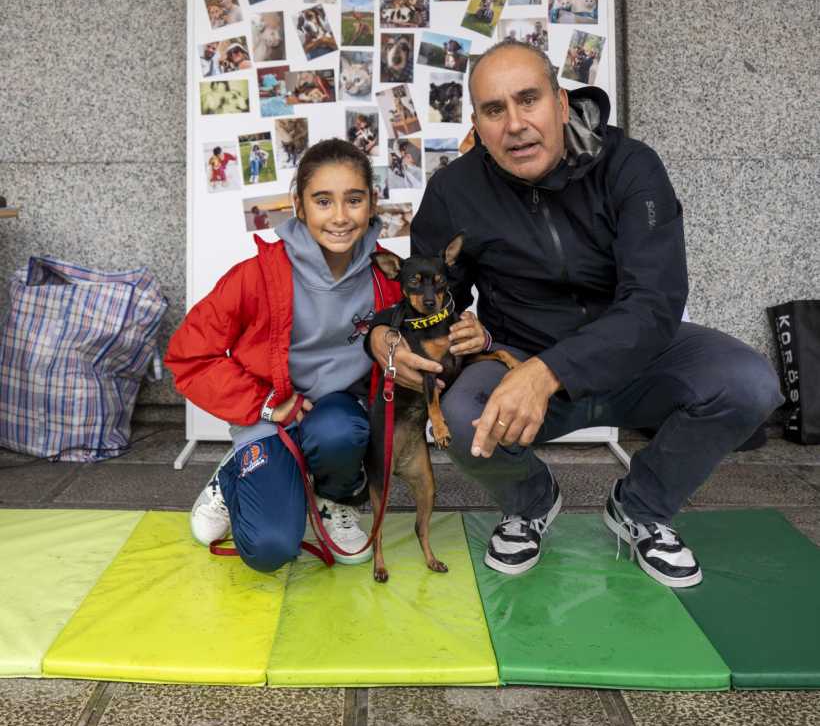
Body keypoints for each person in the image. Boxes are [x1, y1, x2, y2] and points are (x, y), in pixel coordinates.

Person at [366, 40, 782, 586]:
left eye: (529, 100)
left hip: (636, 351)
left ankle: (642, 506)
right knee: (464, 413)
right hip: (518, 351)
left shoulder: (631, 166)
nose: (515, 124)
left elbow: (655, 301)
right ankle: (532, 503)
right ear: (477, 124)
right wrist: (382, 333)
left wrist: (551, 372)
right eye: (495, 110)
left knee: (749, 382)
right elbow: (436, 294)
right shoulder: (453, 191)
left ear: (562, 103)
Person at [166, 140, 403, 572]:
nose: (339, 216)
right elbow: (188, 354)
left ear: (372, 202)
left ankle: (334, 497)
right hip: (267, 412)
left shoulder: (390, 276)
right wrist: (265, 404)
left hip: (337, 416)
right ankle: (234, 474)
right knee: (269, 549)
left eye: (354, 199)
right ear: (299, 205)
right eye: (323, 201)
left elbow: (424, 338)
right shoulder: (257, 275)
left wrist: (471, 339)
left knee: (340, 430)